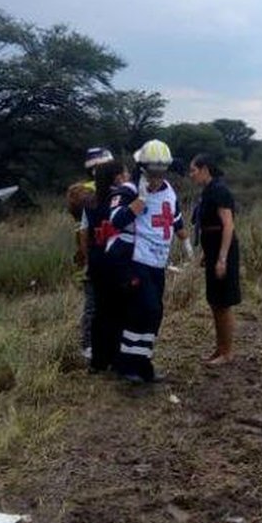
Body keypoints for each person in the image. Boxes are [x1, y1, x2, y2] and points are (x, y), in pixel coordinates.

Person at [104, 140, 188, 383]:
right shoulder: (128, 191)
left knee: (154, 313)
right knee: (142, 309)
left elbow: (176, 220)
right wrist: (137, 204)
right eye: (153, 171)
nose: (157, 176)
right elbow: (114, 222)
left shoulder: (168, 191)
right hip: (133, 260)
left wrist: (188, 247)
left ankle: (142, 364)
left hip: (157, 261)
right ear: (143, 168)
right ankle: (127, 365)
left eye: (161, 171)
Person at [189, 153, 240, 366]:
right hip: (212, 250)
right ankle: (219, 349)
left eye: (193, 170)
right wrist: (206, 254)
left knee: (223, 302)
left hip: (223, 251)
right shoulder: (208, 191)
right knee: (214, 302)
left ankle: (227, 352)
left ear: (205, 169)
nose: (191, 175)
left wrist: (222, 258)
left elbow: (228, 225)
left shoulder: (220, 190)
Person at [79, 159, 130, 374]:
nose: (128, 176)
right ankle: (117, 358)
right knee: (119, 311)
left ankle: (98, 361)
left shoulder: (91, 201)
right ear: (117, 176)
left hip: (97, 260)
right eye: (125, 173)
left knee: (100, 311)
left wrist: (87, 257)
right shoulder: (120, 198)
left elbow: (83, 231)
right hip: (116, 261)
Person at [66, 147, 114, 362]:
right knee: (93, 304)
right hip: (94, 254)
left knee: (104, 303)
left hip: (104, 253)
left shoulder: (103, 189)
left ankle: (102, 343)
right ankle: (88, 344)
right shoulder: (85, 193)